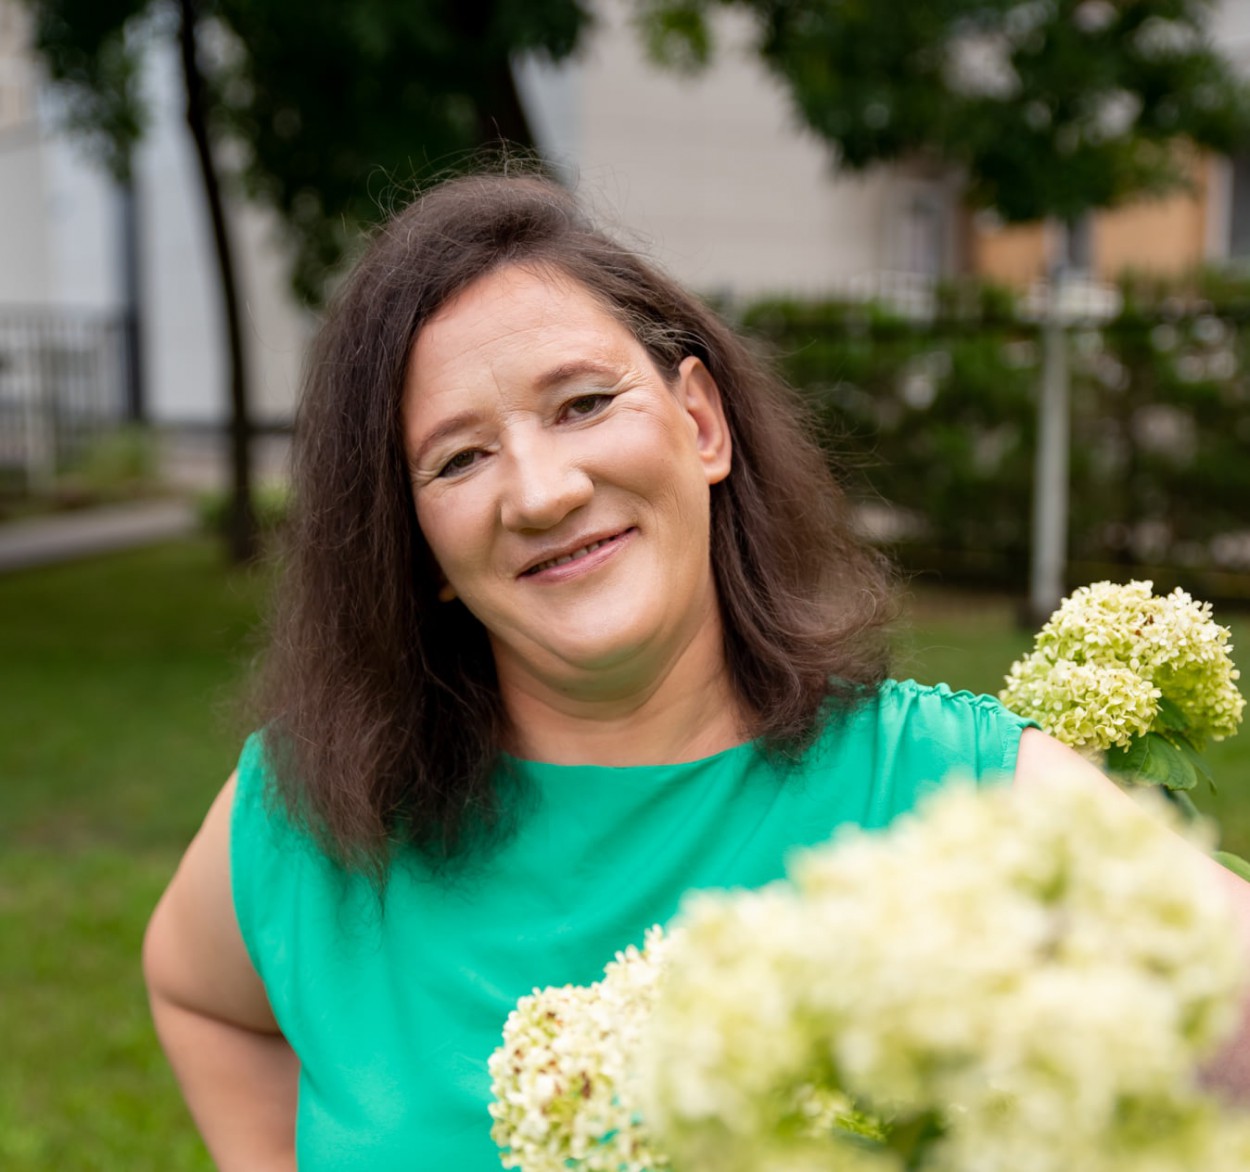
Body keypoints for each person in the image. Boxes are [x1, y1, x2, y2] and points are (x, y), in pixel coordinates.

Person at [142, 173, 1250, 1172]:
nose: (541, 491)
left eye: (583, 403)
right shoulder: (309, 809)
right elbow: (199, 994)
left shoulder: (945, 788)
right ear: (418, 545)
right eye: (460, 457)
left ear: (700, 422)